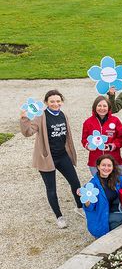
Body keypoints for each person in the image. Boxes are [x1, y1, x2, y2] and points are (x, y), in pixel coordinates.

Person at [20, 89, 82, 229]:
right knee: (51, 189)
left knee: (75, 182)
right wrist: (24, 119)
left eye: (58, 101)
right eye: (52, 101)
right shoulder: (40, 116)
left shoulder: (63, 115)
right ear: (46, 102)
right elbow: (28, 132)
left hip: (62, 156)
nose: (55, 104)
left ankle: (80, 207)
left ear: (62, 102)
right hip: (47, 158)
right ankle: (59, 217)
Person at [81, 95, 122, 175]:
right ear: (95, 107)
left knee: (118, 181)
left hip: (114, 159)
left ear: (109, 107)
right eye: (99, 106)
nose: (102, 108)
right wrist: (88, 146)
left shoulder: (115, 120)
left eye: (105, 106)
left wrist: (112, 146)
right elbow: (84, 139)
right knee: (99, 181)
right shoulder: (88, 122)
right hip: (95, 160)